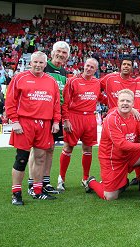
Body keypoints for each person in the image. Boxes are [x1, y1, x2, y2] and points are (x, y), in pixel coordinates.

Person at [6, 51, 61, 205]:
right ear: (30, 62)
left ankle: (37, 191)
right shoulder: (20, 78)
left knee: (40, 157)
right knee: (22, 158)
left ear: (45, 64)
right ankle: (16, 193)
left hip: (44, 124)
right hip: (25, 123)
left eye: (41, 63)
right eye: (35, 62)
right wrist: (14, 120)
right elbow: (10, 100)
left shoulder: (51, 81)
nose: (38, 65)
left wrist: (56, 121)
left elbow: (56, 103)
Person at [84, 89, 140, 200]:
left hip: (129, 155)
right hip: (112, 160)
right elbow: (121, 144)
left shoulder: (135, 116)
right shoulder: (112, 119)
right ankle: (91, 182)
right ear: (117, 103)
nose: (125, 103)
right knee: (110, 196)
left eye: (128, 101)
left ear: (133, 104)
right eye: (122, 100)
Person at [28, 41, 70, 195]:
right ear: (52, 53)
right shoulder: (43, 66)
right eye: (58, 51)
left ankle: (45, 182)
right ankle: (32, 183)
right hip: (41, 114)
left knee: (50, 148)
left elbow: (63, 97)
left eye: (64, 53)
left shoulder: (64, 73)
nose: (60, 54)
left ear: (68, 56)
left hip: (56, 115)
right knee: (37, 150)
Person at [57, 58, 103, 191]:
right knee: (68, 147)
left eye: (92, 67)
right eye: (87, 66)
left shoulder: (97, 83)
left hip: (89, 117)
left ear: (95, 70)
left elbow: (99, 97)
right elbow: (65, 102)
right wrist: (65, 120)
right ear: (84, 66)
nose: (89, 69)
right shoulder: (73, 81)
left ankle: (85, 178)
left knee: (88, 149)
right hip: (74, 116)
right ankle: (61, 178)